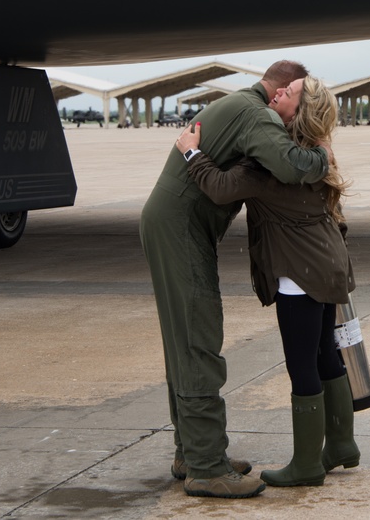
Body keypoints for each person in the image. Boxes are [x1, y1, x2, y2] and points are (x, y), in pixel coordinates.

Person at [139, 61, 330, 500]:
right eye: (298, 99)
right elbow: (290, 165)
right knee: (197, 339)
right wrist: (322, 151)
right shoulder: (255, 113)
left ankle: (192, 452)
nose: (293, 112)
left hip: (175, 225)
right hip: (180, 230)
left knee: (184, 339)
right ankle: (206, 468)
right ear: (281, 89)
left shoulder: (241, 105)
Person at [175, 75, 360, 488]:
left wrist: (191, 154)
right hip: (328, 264)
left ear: (299, 110)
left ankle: (307, 465)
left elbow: (221, 189)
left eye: (288, 92)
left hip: (300, 273)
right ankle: (342, 445)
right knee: (325, 356)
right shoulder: (317, 152)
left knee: (302, 366)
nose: (278, 93)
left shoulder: (272, 163)